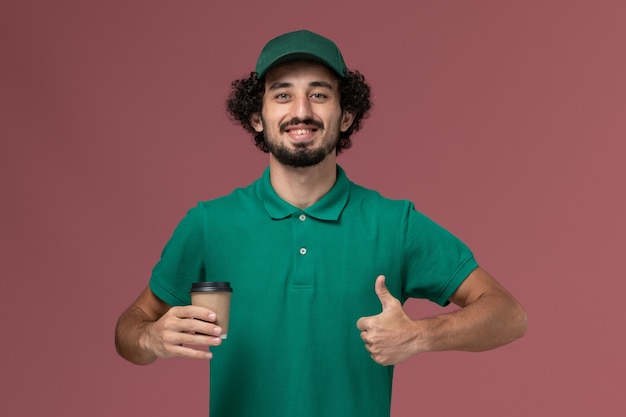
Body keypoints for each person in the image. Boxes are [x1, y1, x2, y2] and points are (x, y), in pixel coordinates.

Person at [115, 29, 527, 417]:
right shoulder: (209, 223)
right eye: (282, 94)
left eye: (318, 94)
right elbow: (129, 330)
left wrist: (420, 336)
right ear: (256, 117)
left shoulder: (394, 223)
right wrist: (151, 338)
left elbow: (509, 315)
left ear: (345, 116)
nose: (301, 111)